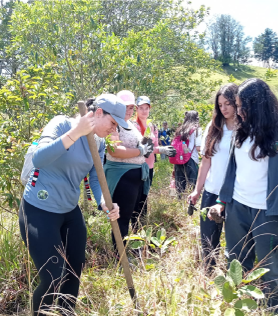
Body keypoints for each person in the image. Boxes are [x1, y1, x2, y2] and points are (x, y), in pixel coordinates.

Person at [19, 95, 123, 315]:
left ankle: (66, 312)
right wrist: (76, 132)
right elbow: (39, 158)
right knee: (53, 277)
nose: (114, 129)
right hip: (39, 209)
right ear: (98, 113)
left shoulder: (98, 142)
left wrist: (104, 202)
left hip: (69, 212)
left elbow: (95, 177)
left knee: (74, 272)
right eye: (113, 123)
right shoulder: (62, 124)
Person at [207, 78, 278, 314]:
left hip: (268, 213)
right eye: (237, 106)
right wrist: (221, 202)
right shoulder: (241, 130)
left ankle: (275, 310)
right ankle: (241, 308)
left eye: (242, 106)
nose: (238, 112)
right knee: (236, 262)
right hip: (237, 208)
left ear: (258, 105)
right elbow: (232, 170)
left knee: (272, 269)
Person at [187, 83, 238, 270]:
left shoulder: (245, 128)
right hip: (212, 190)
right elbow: (206, 161)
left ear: (237, 102)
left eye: (228, 104)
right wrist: (197, 190)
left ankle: (233, 279)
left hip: (236, 195)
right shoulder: (214, 126)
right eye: (220, 105)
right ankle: (208, 276)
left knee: (235, 243)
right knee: (208, 241)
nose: (224, 108)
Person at [103, 90, 158, 251]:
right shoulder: (114, 124)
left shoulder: (130, 125)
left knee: (133, 215)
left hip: (136, 177)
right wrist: (140, 151)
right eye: (125, 107)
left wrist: (148, 146)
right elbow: (114, 151)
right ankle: (120, 254)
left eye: (131, 107)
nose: (129, 110)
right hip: (122, 178)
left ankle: (133, 249)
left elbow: (143, 148)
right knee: (121, 218)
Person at [133, 95, 175, 222]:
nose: (144, 111)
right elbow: (136, 147)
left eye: (146, 108)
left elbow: (154, 146)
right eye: (141, 108)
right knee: (136, 195)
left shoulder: (152, 127)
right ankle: (134, 222)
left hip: (149, 165)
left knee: (145, 195)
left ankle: (142, 222)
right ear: (136, 109)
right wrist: (156, 149)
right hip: (136, 165)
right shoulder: (133, 126)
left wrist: (163, 149)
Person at [172, 111, 203, 198]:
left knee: (180, 184)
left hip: (179, 159)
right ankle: (192, 202)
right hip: (191, 159)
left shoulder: (180, 130)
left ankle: (179, 200)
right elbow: (198, 147)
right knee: (193, 184)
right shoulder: (197, 130)